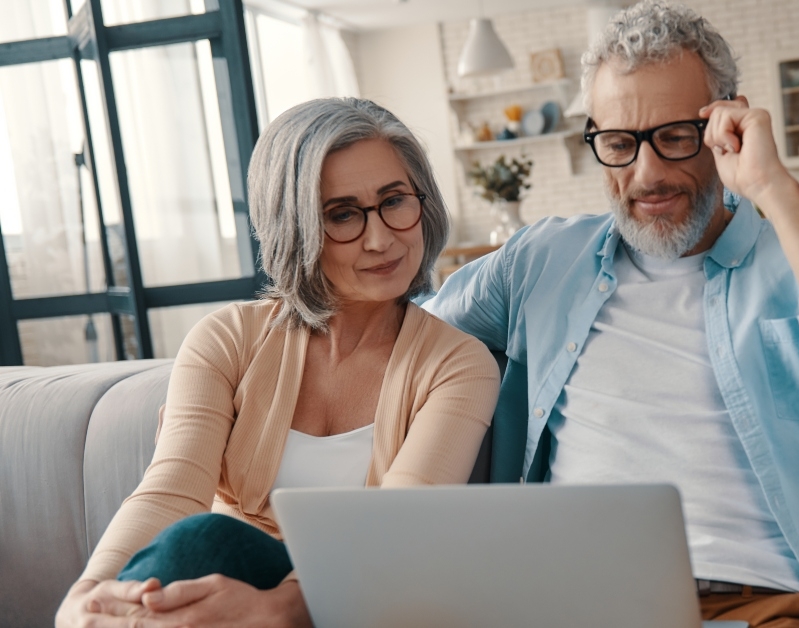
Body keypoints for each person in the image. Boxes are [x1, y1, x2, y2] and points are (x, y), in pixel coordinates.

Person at [424, 3, 799, 627]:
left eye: (674, 137)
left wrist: (773, 188)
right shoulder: (541, 259)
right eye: (619, 143)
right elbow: (408, 337)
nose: (647, 175)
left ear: (730, 124)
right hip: (578, 605)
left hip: (763, 607)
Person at [56, 98, 501, 627]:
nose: (381, 238)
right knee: (198, 549)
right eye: (342, 215)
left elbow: (396, 529)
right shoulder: (227, 338)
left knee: (206, 541)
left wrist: (282, 609)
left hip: (361, 600)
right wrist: (85, 595)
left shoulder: (458, 365)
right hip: (214, 599)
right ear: (295, 229)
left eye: (394, 201)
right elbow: (172, 488)